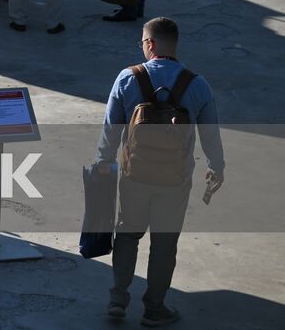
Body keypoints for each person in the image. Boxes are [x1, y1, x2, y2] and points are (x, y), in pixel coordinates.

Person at [94, 17, 225, 326]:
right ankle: (154, 308)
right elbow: (210, 134)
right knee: (164, 243)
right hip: (174, 179)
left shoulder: (128, 78)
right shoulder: (197, 84)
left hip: (134, 174)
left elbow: (110, 130)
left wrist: (103, 162)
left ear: (150, 44)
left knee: (127, 235)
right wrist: (216, 166)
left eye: (142, 41)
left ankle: (117, 300)